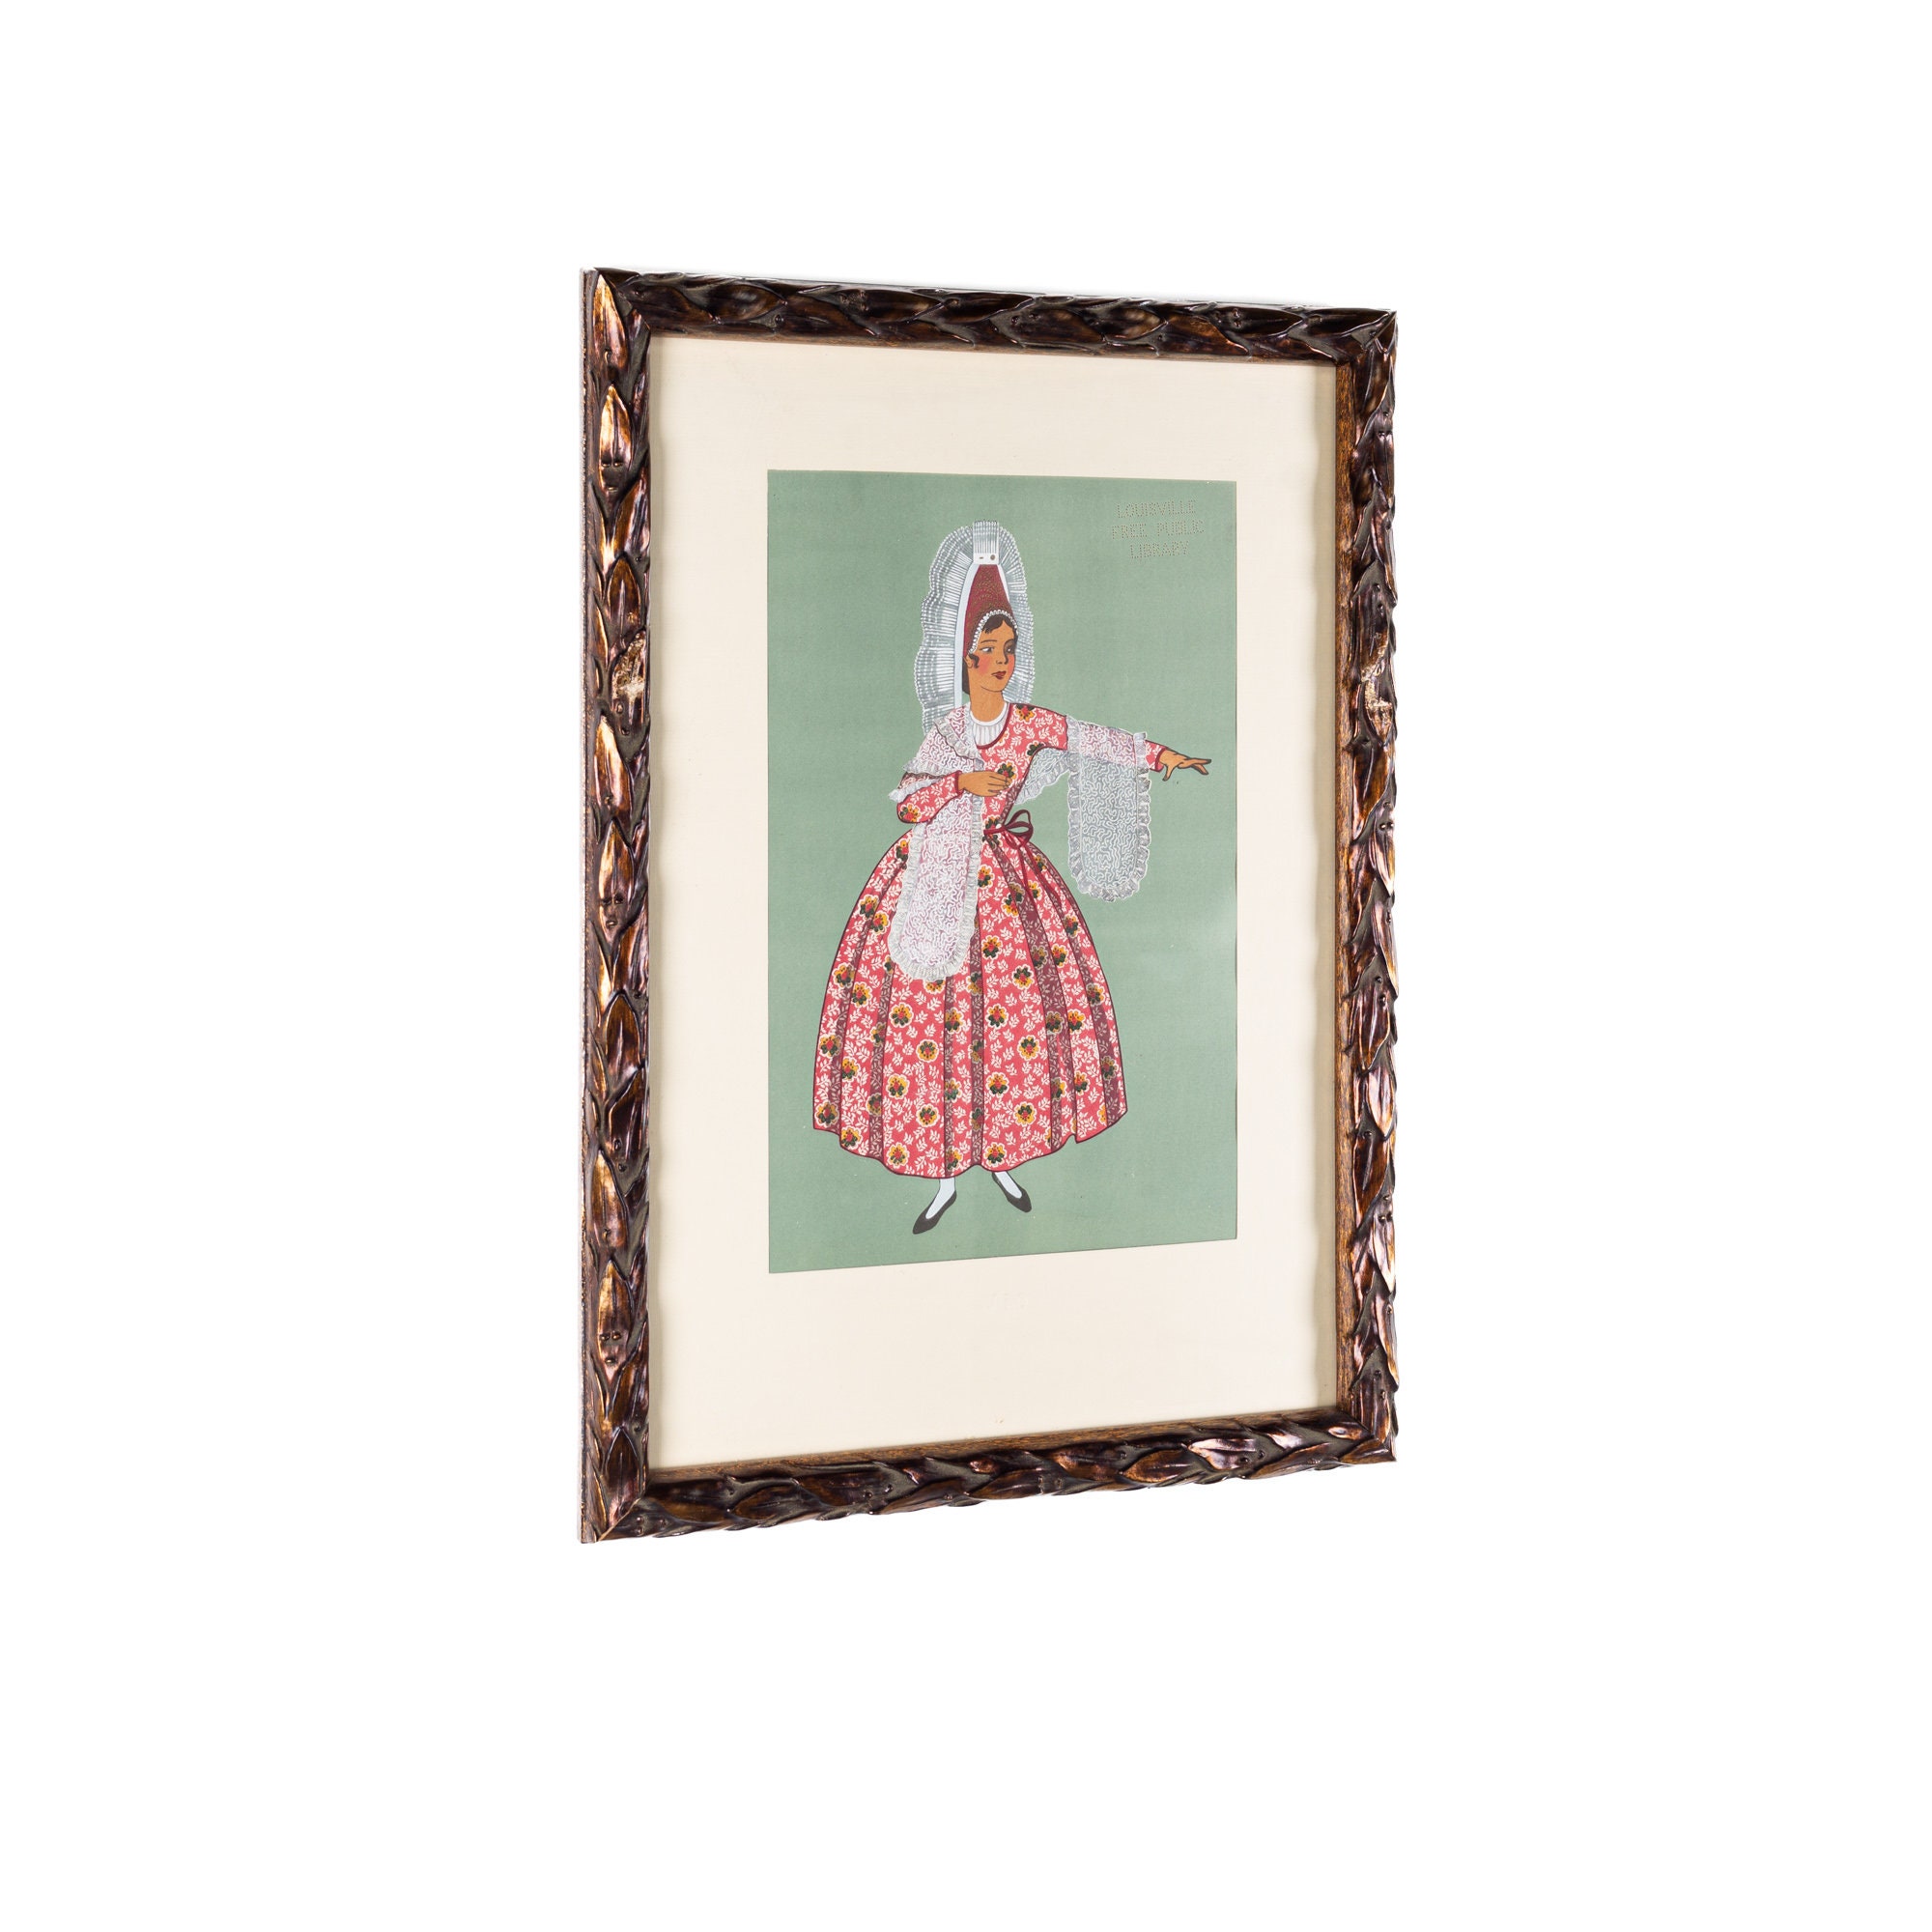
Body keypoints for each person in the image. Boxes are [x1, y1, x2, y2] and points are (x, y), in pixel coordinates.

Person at [811, 523, 1208, 1234]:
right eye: (989, 650)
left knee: (1013, 1019)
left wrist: (1162, 757)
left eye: (1009, 649)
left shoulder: (1027, 724)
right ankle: (942, 1174)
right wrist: (960, 782)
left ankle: (1000, 1158)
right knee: (931, 1021)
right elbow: (907, 801)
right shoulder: (947, 732)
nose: (1001, 662)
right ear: (964, 659)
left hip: (1007, 884)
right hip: (936, 880)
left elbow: (1093, 739)